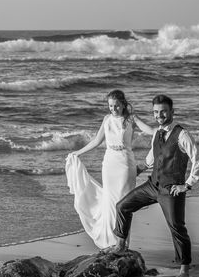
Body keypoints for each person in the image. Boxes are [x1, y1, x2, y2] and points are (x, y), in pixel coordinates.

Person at [110, 94, 199, 277]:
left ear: (171, 112)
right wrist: (139, 168)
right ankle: (120, 245)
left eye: (163, 112)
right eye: (155, 112)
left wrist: (187, 185)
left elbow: (198, 160)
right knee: (122, 206)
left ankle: (184, 269)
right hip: (152, 185)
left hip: (170, 189)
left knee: (177, 227)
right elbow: (152, 157)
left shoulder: (182, 134)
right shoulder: (157, 133)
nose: (159, 115)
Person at [65, 90, 154, 249]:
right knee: (110, 202)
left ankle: (123, 243)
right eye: (110, 106)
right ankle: (111, 241)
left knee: (124, 204)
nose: (113, 109)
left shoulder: (131, 118)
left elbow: (151, 131)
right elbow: (97, 141)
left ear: (123, 104)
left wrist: (167, 130)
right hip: (109, 164)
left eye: (116, 106)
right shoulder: (107, 119)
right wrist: (78, 152)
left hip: (126, 164)